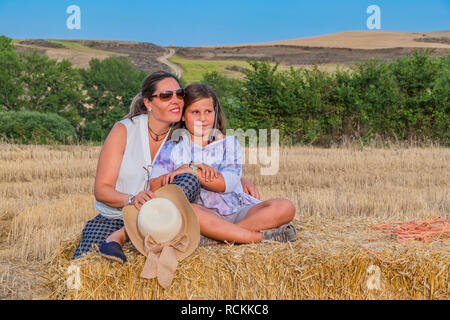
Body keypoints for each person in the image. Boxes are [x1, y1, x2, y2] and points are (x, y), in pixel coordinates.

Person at [72, 71, 259, 261]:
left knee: (188, 177)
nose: (175, 100)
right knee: (80, 268)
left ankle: (127, 235)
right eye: (166, 96)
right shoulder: (125, 130)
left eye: (179, 94)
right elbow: (102, 190)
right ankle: (122, 233)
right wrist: (132, 199)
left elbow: (214, 156)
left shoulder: (183, 133)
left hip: (164, 218)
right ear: (148, 103)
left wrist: (238, 180)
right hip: (116, 217)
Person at [144, 82, 297, 246]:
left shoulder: (229, 143)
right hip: (204, 215)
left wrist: (193, 170)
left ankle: (218, 237)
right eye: (195, 112)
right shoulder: (173, 147)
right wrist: (181, 171)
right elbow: (154, 185)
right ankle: (253, 237)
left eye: (208, 112)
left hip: (236, 209)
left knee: (285, 207)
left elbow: (228, 184)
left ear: (215, 113)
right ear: (182, 115)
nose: (202, 118)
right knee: (189, 211)